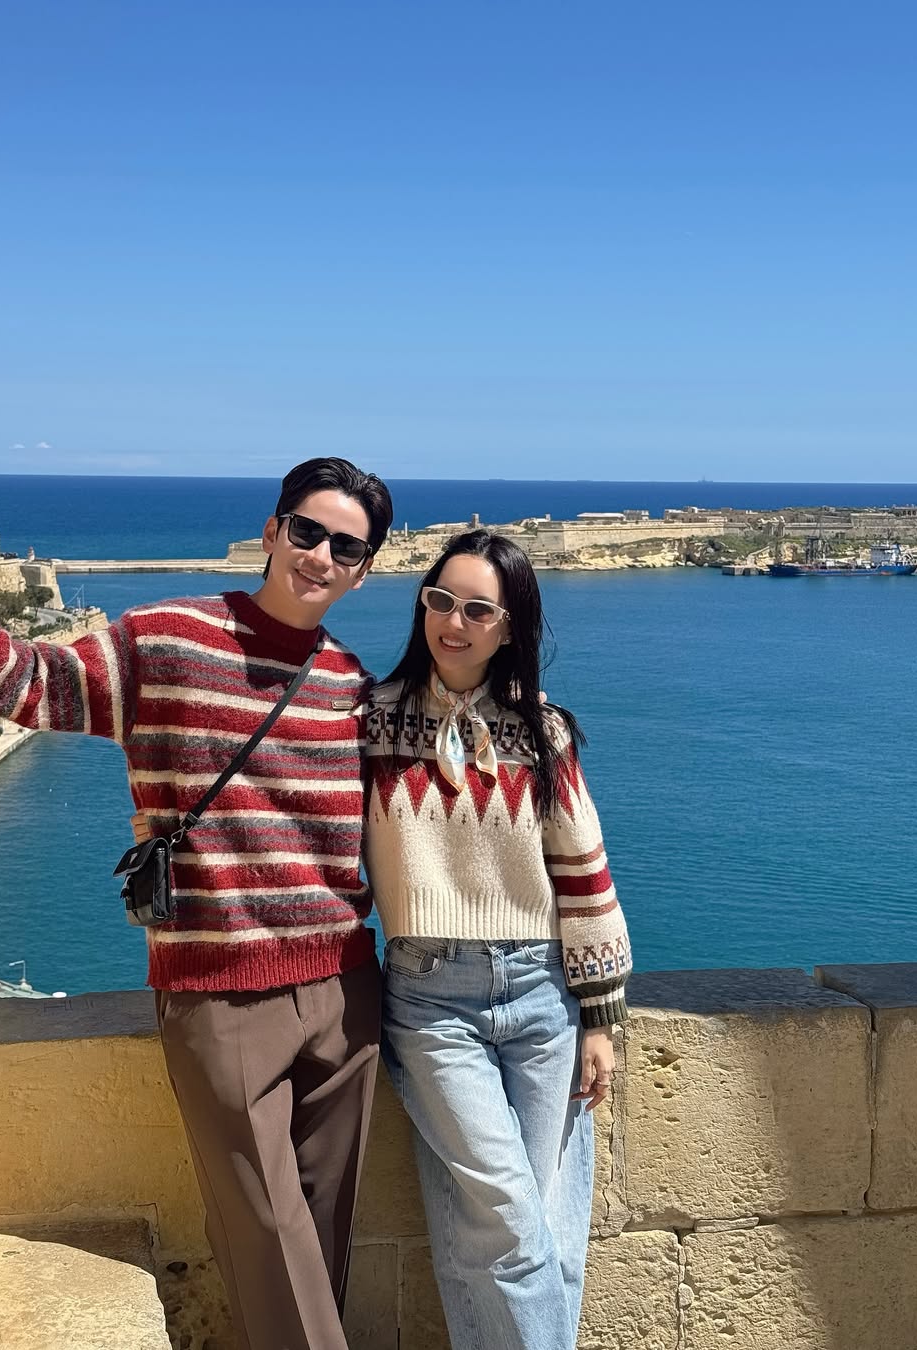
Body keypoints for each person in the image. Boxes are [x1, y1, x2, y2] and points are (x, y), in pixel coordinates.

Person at [0, 459, 393, 1350]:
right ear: (272, 531)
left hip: (345, 991)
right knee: (269, 1234)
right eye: (307, 531)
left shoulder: (351, 683)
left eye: (347, 547)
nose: (322, 556)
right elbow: (27, 684)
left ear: (365, 571)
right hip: (219, 994)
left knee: (321, 1236)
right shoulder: (166, 639)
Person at [364, 529, 632, 1350]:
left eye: (478, 610)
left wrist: (600, 1017)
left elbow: (582, 869)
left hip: (543, 994)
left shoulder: (542, 733)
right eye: (441, 601)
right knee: (512, 1225)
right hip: (429, 1000)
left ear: (510, 626)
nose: (455, 622)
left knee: (549, 1228)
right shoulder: (370, 723)